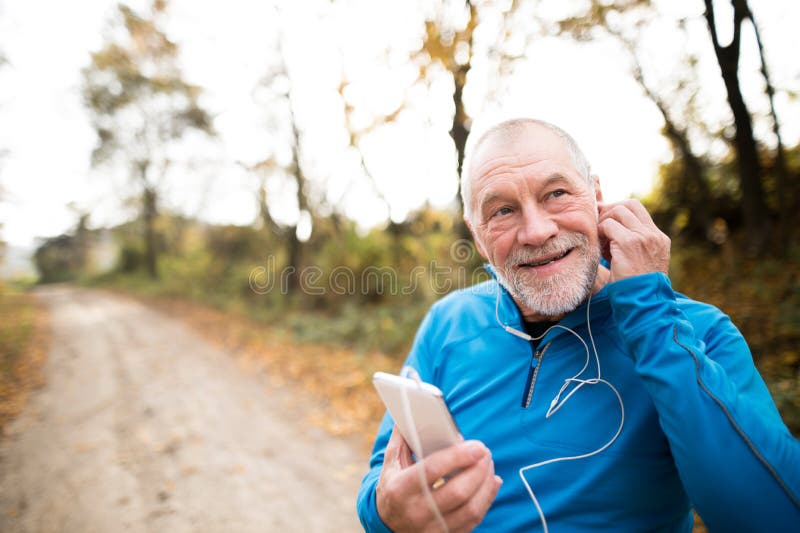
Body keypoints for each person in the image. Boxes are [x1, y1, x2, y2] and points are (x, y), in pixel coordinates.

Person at [356, 118, 800, 532]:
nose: (535, 231)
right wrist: (385, 512)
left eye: (556, 194)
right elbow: (383, 474)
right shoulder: (448, 322)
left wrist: (648, 312)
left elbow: (772, 517)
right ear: (477, 236)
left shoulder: (697, 331)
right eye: (503, 211)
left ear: (596, 196)